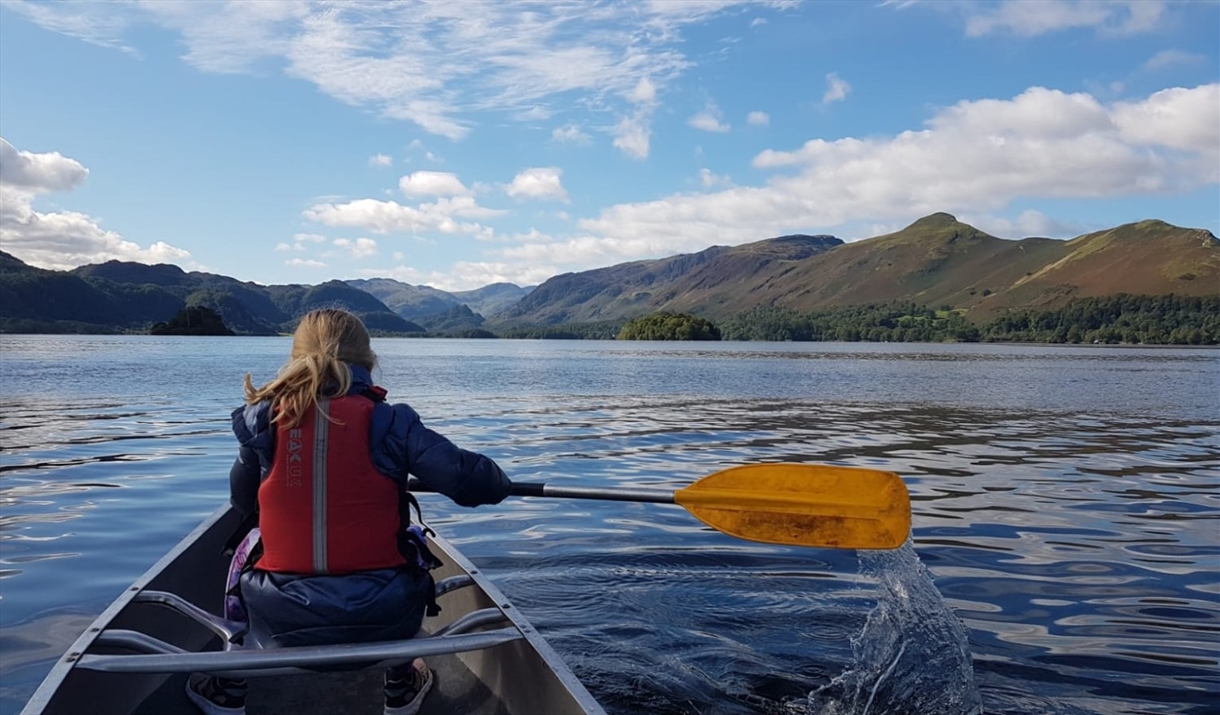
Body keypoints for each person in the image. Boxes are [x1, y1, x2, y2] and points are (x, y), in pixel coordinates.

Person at [186, 308, 512, 715]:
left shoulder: (264, 421)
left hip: (278, 618)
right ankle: (401, 680)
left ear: (295, 356)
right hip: (386, 613)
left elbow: (242, 502)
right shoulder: (394, 422)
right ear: (367, 360)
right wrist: (502, 481)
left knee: (246, 546)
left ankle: (230, 684)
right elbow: (472, 483)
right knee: (412, 539)